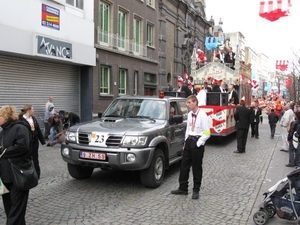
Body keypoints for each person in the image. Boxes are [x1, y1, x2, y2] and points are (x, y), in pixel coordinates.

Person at [171, 95, 211, 200]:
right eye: (187, 103)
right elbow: (188, 129)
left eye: (189, 103)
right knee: (184, 166)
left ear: (195, 102)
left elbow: (207, 132)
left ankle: (196, 189)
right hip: (189, 141)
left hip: (197, 142)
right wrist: (185, 144)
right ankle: (183, 188)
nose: (187, 105)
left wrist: (199, 143)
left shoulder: (203, 115)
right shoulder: (189, 115)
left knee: (197, 167)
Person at [0, 105, 32, 224]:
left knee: (16, 209)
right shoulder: (4, 131)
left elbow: (23, 147)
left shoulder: (20, 128)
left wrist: (3, 151)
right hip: (6, 176)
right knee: (9, 207)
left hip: (18, 175)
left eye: (0, 116)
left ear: (7, 117)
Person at [19, 104, 46, 179]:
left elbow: (38, 130)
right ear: (29, 110)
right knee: (27, 158)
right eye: (33, 109)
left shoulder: (33, 118)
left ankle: (37, 174)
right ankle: (27, 173)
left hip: (34, 142)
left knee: (35, 158)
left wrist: (42, 140)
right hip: (27, 142)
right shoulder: (21, 120)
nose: (33, 111)